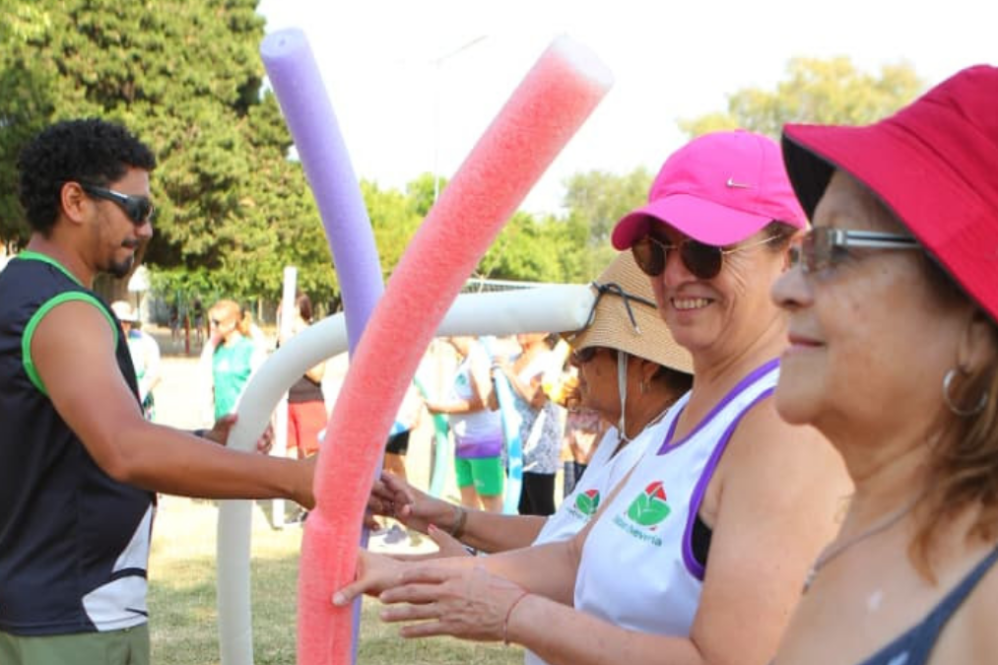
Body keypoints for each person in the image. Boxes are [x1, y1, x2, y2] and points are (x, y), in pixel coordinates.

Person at [340, 130, 852, 665]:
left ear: (792, 257)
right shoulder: (691, 408)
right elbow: (576, 556)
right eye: (654, 252)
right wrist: (401, 574)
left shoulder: (783, 426)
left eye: (705, 252)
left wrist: (517, 616)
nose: (675, 275)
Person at [0, 118, 314, 665]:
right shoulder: (65, 310)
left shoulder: (16, 293)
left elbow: (63, 445)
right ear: (74, 200)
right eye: (136, 209)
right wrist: (298, 480)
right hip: (72, 622)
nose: (146, 230)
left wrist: (202, 441)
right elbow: (125, 449)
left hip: (38, 608)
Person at [770, 65, 998, 665]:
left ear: (977, 330)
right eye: (801, 249)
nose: (785, 287)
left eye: (833, 249)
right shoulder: (867, 528)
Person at [367, 252, 694, 567]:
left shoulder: (669, 455)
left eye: (588, 350)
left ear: (646, 366)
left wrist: (466, 570)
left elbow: (582, 570)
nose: (575, 361)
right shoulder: (623, 439)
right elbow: (561, 534)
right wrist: (446, 515)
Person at [424, 336, 506, 513]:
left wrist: (443, 408)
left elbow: (482, 401)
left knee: (491, 502)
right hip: (464, 442)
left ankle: (497, 540)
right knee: (468, 500)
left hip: (482, 443)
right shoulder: (464, 359)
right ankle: (471, 541)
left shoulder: (477, 357)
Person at [499, 332, 564, 516]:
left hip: (538, 448)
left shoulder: (550, 360)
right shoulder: (511, 359)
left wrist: (510, 374)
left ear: (545, 331)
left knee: (541, 508)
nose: (521, 331)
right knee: (522, 508)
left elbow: (535, 400)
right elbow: (493, 404)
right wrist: (496, 378)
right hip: (512, 445)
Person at [279, 292, 327, 461]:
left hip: (309, 402)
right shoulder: (283, 336)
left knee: (311, 456)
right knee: (290, 456)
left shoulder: (314, 335)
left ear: (298, 308)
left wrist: (292, 350)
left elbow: (317, 374)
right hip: (287, 402)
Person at [207, 298, 265, 422]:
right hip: (220, 420)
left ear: (232, 323)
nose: (212, 326)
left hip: (244, 422)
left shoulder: (250, 349)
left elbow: (259, 386)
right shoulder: (216, 349)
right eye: (211, 322)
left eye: (217, 322)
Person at [110, 300, 161, 421]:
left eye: (126, 321)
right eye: (118, 321)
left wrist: (138, 394)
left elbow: (155, 374)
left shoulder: (144, 342)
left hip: (141, 404)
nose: (122, 325)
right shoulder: (102, 341)